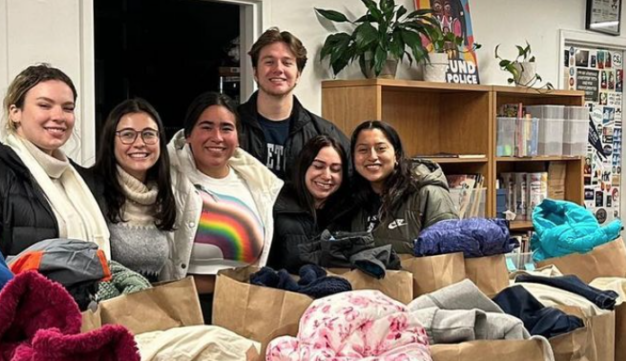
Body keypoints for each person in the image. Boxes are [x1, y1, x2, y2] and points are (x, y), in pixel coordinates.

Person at [0, 63, 109, 257]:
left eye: (68, 108)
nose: (58, 116)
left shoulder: (84, 182)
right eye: (44, 105)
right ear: (15, 112)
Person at [168, 92, 282, 313]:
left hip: (245, 311)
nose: (217, 137)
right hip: (186, 312)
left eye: (227, 128)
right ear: (188, 134)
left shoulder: (258, 185)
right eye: (207, 127)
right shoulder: (168, 180)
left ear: (238, 137)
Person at [237, 28, 349, 180]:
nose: (278, 69)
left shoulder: (324, 132)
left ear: (298, 74)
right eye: (269, 62)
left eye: (287, 63)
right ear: (255, 72)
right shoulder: (231, 126)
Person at [95, 98, 183, 282]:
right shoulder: (93, 191)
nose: (140, 143)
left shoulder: (164, 196)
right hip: (106, 307)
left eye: (149, 134)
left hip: (152, 306)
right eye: (127, 134)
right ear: (111, 140)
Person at [348, 120, 458, 255]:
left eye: (380, 148)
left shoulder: (427, 192)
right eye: (363, 150)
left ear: (397, 155)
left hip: (419, 275)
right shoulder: (351, 198)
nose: (372, 156)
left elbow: (450, 253)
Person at [268, 135, 353, 273]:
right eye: (318, 166)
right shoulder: (276, 206)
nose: (327, 175)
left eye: (336, 169)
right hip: (285, 291)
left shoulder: (350, 212)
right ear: (304, 166)